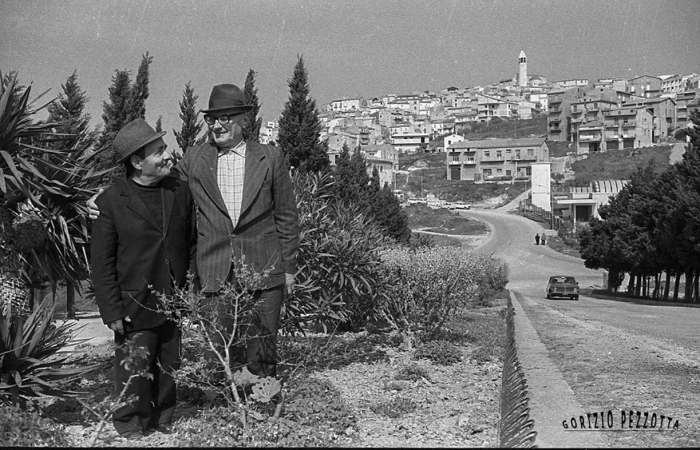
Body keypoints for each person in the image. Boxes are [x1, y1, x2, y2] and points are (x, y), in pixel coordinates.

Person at [89, 84, 299, 380]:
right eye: (212, 119)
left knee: (262, 352)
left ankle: (262, 409)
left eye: (226, 116)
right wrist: (104, 196)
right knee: (218, 354)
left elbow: (287, 217)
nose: (218, 125)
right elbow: (149, 182)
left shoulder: (271, 158)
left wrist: (288, 269)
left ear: (243, 119)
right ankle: (221, 411)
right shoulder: (195, 158)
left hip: (264, 270)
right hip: (214, 272)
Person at [91, 118, 197, 439]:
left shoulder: (179, 191)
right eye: (158, 152)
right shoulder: (110, 201)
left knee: (168, 364)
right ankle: (130, 420)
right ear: (137, 162)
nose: (168, 156)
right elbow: (102, 263)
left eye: (165, 149)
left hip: (172, 299)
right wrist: (112, 312)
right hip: (132, 303)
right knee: (133, 370)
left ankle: (164, 415)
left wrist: (188, 288)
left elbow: (190, 243)